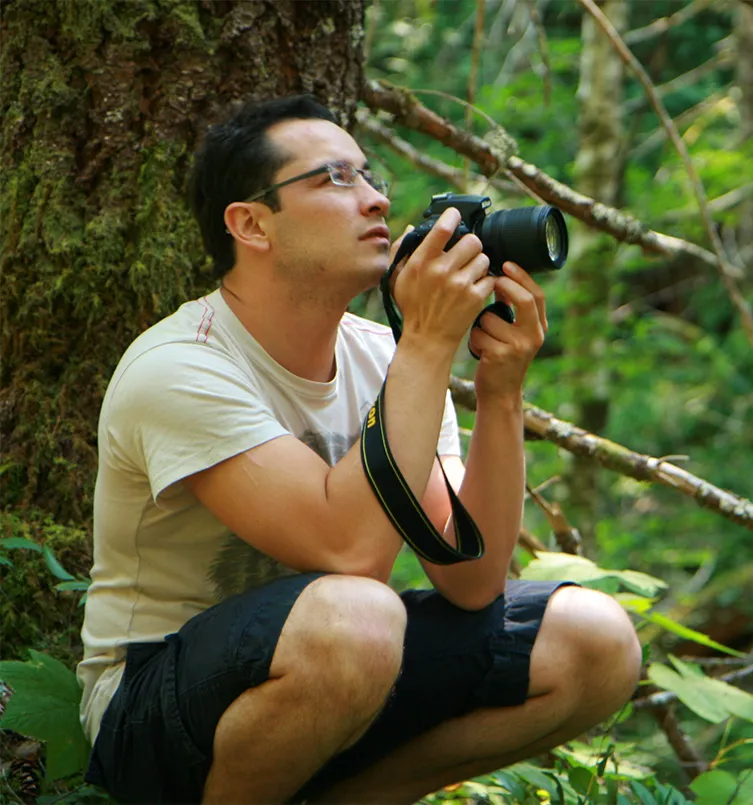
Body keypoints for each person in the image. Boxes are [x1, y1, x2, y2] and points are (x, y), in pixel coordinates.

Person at [77, 94, 642, 805]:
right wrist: (430, 344)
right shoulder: (181, 367)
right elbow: (348, 554)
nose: (375, 199)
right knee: (361, 615)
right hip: (155, 708)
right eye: (334, 179)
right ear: (251, 224)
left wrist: (501, 395)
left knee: (594, 639)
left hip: (339, 673)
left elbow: (470, 578)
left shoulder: (385, 354)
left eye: (370, 176)